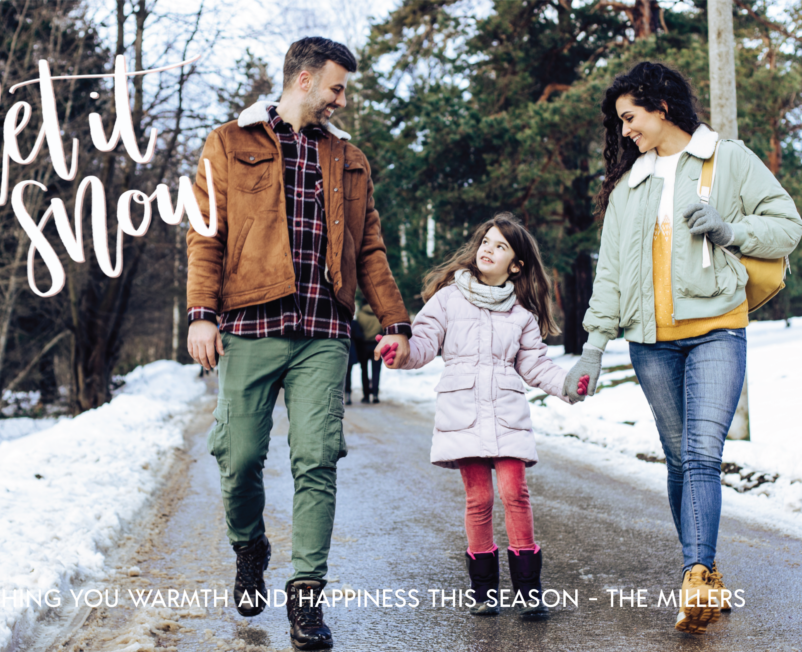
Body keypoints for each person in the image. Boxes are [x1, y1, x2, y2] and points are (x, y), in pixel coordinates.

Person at [185, 37, 412, 650]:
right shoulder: (229, 143)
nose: (341, 100)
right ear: (305, 79)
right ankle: (250, 547)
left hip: (324, 333)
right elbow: (205, 234)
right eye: (336, 87)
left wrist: (394, 320)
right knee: (238, 458)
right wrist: (201, 314)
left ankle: (307, 597)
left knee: (317, 460)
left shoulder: (351, 159)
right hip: (250, 325)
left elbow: (370, 249)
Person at [563, 62, 802, 634]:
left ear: (660, 105)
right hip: (651, 344)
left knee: (700, 453)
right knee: (679, 460)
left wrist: (731, 230)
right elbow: (613, 274)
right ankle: (708, 572)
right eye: (620, 122)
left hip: (718, 327)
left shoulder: (730, 159)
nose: (625, 131)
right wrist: (594, 346)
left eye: (630, 117)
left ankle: (694, 572)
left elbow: (788, 225)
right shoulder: (630, 185)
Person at [380, 214, 575, 619]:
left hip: (506, 414)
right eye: (486, 241)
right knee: (480, 498)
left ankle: (528, 590)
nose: (488, 249)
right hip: (462, 412)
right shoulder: (448, 299)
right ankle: (484, 590)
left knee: (514, 493)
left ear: (516, 265)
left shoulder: (520, 313)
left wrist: (568, 383)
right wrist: (400, 353)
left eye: (501, 246)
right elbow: (424, 343)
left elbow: (536, 365)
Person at [354, 302, 383, 403]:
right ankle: (375, 395)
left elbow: (358, 331)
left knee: (364, 371)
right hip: (377, 345)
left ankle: (366, 395)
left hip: (363, 346)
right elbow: (382, 329)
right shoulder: (379, 314)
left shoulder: (360, 315)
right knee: (376, 370)